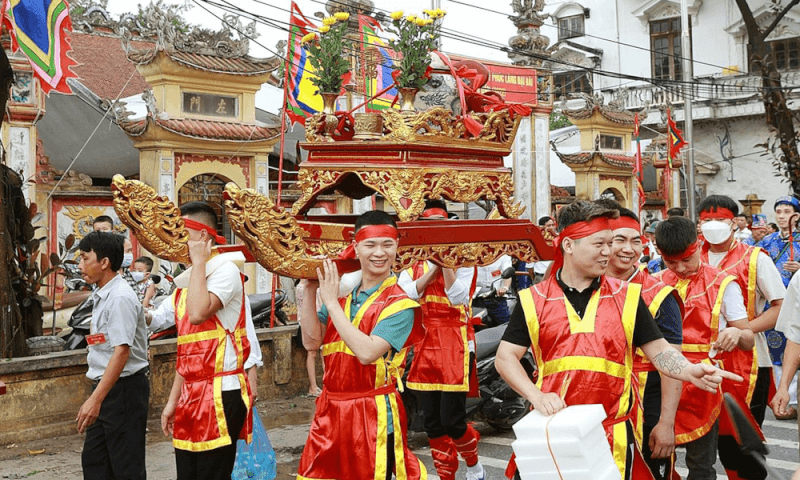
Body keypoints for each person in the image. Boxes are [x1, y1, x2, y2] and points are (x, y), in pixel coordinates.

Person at [496, 200, 742, 480]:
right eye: (599, 244)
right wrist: (536, 395)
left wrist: (688, 370)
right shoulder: (534, 299)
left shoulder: (628, 297)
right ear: (568, 245)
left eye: (609, 243)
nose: (608, 252)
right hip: (553, 429)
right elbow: (506, 357)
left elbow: (660, 351)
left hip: (613, 435)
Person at [297, 210, 426, 480]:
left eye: (387, 244)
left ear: (396, 247)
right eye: (370, 244)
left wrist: (330, 303)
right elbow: (311, 341)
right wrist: (309, 289)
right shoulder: (343, 296)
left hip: (372, 413)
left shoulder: (400, 304)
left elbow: (367, 353)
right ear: (355, 247)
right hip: (330, 409)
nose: (379, 253)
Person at [655, 215, 754, 480]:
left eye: (687, 259)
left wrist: (735, 332)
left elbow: (748, 337)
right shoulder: (653, 282)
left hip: (702, 384)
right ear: (659, 254)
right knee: (657, 461)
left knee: (701, 464)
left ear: (698, 245)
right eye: (671, 261)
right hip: (660, 379)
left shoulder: (723, 284)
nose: (681, 268)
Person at [160, 201, 254, 480]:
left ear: (203, 236)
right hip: (191, 393)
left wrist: (200, 261)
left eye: (182, 231)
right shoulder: (188, 281)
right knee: (187, 474)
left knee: (212, 474)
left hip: (219, 391)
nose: (176, 238)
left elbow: (199, 313)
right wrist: (171, 402)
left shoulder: (225, 271)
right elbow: (186, 349)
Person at [697, 196, 785, 480]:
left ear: (734, 222)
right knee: (702, 441)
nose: (712, 226)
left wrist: (744, 330)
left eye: (719, 219)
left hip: (748, 360)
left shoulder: (754, 258)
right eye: (706, 220)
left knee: (742, 441)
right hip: (700, 360)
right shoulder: (691, 256)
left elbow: (779, 306)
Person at [398, 201, 484, 480]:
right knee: (433, 423)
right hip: (425, 342)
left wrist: (446, 262)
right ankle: (447, 476)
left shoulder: (465, 258)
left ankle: (474, 465)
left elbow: (459, 297)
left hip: (456, 341)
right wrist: (432, 270)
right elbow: (405, 294)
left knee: (453, 421)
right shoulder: (413, 260)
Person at [598, 201, 684, 480]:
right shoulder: (586, 289)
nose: (628, 249)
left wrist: (666, 423)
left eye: (636, 241)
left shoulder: (659, 295)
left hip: (647, 408)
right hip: (598, 409)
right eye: (619, 240)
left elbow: (672, 363)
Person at [76, 232, 149, 480]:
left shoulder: (119, 297)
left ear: (104, 262)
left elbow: (121, 352)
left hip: (123, 391)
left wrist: (95, 400)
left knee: (126, 466)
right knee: (96, 463)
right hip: (106, 388)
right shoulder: (102, 293)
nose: (80, 265)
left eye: (85, 258)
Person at [758, 195, 800, 419]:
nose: (782, 216)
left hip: (796, 304)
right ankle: (785, 399)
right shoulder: (767, 241)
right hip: (773, 307)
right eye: (779, 212)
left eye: (787, 211)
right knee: (777, 351)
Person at [474, 254, 513, 324]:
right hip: (475, 298)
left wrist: (505, 288)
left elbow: (508, 274)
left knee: (505, 325)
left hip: (496, 297)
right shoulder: (471, 256)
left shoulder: (503, 256)